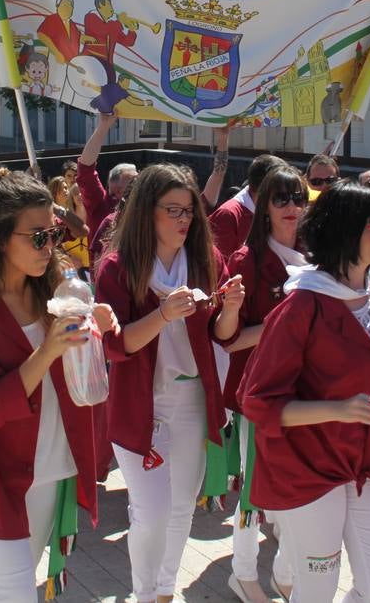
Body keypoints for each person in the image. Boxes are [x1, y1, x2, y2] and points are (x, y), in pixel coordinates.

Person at [0, 171, 117, 599]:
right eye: (37, 237)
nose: (50, 247)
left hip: (48, 468)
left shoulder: (57, 285)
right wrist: (48, 349)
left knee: (13, 588)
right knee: (17, 592)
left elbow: (80, 365)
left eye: (53, 233)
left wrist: (97, 325)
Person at [239, 180, 370, 602]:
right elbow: (258, 403)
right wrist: (338, 410)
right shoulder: (301, 307)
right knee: (316, 591)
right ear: (346, 232)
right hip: (309, 468)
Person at [95, 163, 242, 603]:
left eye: (189, 211)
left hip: (192, 400)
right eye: (173, 210)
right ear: (146, 212)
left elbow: (221, 332)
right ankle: (144, 594)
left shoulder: (204, 261)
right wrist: (161, 314)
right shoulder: (117, 268)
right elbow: (116, 347)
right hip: (142, 407)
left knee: (182, 506)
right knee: (151, 513)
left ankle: (164, 590)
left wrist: (231, 305)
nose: (184, 220)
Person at [220, 165, 306, 601]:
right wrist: (284, 322)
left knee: (301, 487)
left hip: (309, 394)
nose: (292, 208)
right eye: (281, 199)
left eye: (298, 199)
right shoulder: (246, 260)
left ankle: (288, 572)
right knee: (254, 489)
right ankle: (243, 573)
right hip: (260, 394)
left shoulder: (319, 256)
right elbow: (229, 339)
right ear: (265, 207)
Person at [77, 113, 137, 264]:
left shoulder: (144, 206)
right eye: (134, 181)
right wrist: (103, 127)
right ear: (116, 189)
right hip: (105, 281)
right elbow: (85, 169)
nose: (140, 184)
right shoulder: (99, 205)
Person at [209, 153, 288, 259]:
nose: (285, 198)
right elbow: (219, 267)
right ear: (264, 188)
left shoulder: (277, 211)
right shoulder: (228, 215)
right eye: (280, 190)